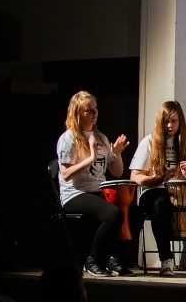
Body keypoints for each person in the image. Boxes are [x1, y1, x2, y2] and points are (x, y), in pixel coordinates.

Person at [56, 90, 138, 277]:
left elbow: (116, 172)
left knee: (134, 212)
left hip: (98, 190)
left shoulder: (101, 138)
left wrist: (116, 154)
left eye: (96, 109)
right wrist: (91, 158)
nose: (95, 113)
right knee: (113, 214)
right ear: (78, 113)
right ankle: (92, 260)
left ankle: (115, 259)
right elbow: (66, 174)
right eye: (89, 110)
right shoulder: (68, 139)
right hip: (75, 193)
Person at [129, 100, 186, 277]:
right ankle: (166, 259)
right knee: (160, 205)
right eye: (166, 121)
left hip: (183, 193)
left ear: (180, 121)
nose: (169, 125)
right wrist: (156, 179)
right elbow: (135, 176)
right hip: (155, 191)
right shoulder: (149, 142)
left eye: (173, 121)